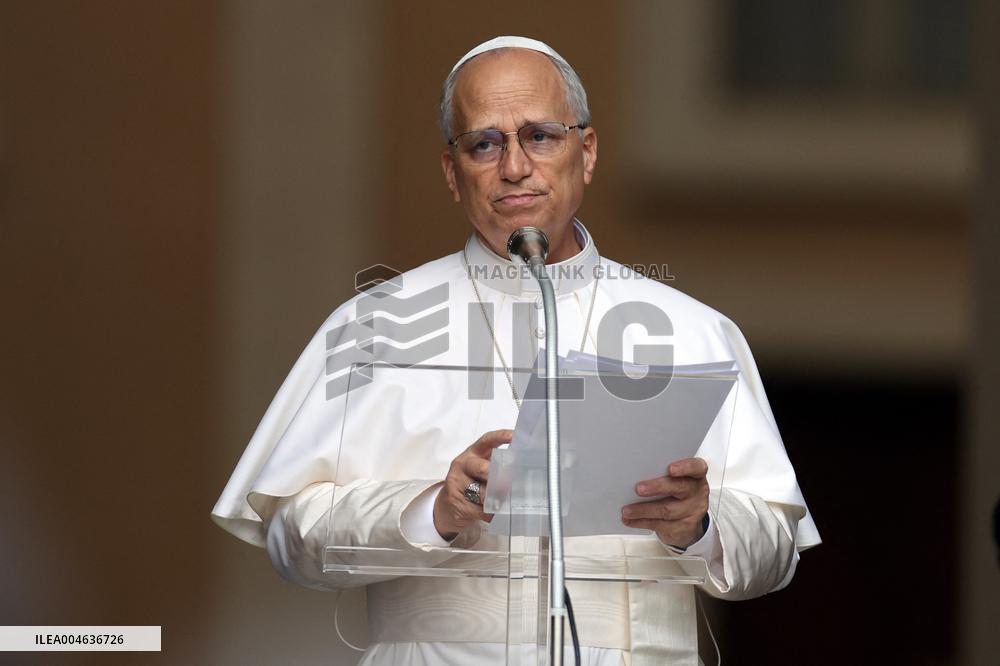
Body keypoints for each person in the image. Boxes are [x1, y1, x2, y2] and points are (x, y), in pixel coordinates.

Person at [212, 36, 821, 665]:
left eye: (541, 136)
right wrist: (432, 510)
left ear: (586, 153)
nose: (514, 166)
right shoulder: (375, 326)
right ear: (453, 173)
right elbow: (292, 536)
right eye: (484, 143)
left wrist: (700, 525)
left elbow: (775, 551)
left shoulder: (693, 330)